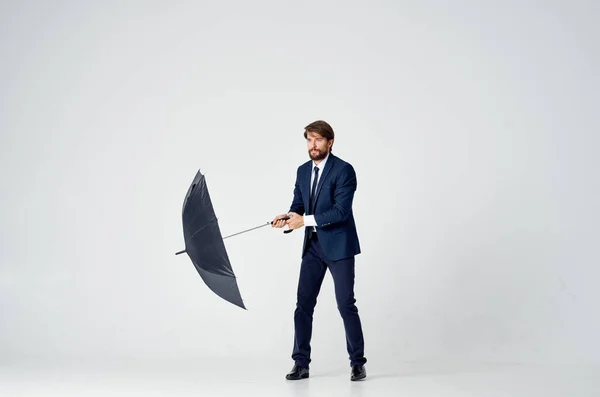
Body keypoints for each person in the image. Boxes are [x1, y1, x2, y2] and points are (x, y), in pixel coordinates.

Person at [272, 120, 367, 381]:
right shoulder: (303, 171)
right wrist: (289, 217)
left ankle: (357, 362)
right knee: (303, 305)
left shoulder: (344, 171)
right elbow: (299, 204)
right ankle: (300, 363)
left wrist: (305, 220)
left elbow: (341, 211)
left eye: (318, 140)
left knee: (346, 304)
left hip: (339, 246)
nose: (313, 145)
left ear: (330, 142)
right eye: (309, 140)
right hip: (313, 247)